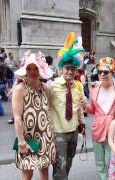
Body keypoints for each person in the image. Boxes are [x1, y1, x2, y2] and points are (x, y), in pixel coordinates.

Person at [12, 50, 56, 180]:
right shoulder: (20, 90)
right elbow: (17, 117)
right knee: (27, 172)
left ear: (40, 70)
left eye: (35, 68)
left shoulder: (45, 88)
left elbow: (51, 107)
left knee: (44, 170)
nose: (32, 71)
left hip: (44, 137)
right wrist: (21, 141)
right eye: (29, 68)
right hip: (28, 138)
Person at [48, 34, 87, 180]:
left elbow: (79, 109)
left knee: (68, 164)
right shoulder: (52, 86)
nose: (70, 71)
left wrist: (82, 124)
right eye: (67, 68)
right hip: (58, 133)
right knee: (60, 167)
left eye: (73, 69)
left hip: (74, 132)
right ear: (61, 69)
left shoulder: (78, 86)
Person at [86, 57, 115, 180]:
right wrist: (84, 105)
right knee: (99, 162)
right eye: (100, 72)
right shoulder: (94, 89)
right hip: (97, 129)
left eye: (106, 72)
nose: (103, 74)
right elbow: (92, 109)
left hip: (114, 131)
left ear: (112, 72)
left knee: (111, 161)